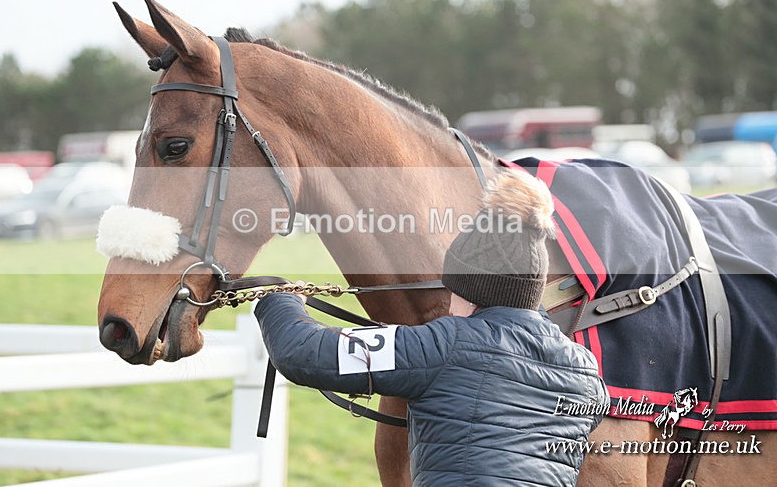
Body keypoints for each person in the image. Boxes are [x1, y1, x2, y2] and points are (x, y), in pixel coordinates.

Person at [254, 170, 608, 486]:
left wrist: (279, 296)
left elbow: (300, 350)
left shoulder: (446, 344)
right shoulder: (586, 374)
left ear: (469, 291)